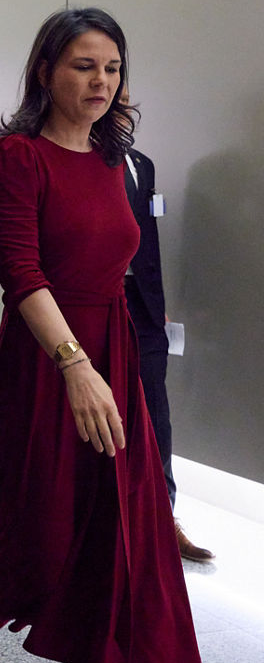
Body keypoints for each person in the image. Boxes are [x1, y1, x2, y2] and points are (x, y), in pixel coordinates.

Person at [0, 8, 201, 663]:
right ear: (46, 72)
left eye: (112, 68)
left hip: (116, 353)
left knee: (124, 540)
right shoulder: (17, 156)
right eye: (84, 66)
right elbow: (21, 274)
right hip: (48, 362)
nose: (101, 81)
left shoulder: (118, 161)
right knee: (39, 534)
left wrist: (118, 363)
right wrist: (76, 367)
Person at [117, 87, 213, 563]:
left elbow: (149, 241)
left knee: (156, 412)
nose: (116, 98)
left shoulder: (142, 164)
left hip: (144, 308)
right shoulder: (74, 160)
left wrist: (159, 304)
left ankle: (162, 517)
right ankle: (106, 522)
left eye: (119, 85)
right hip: (92, 302)